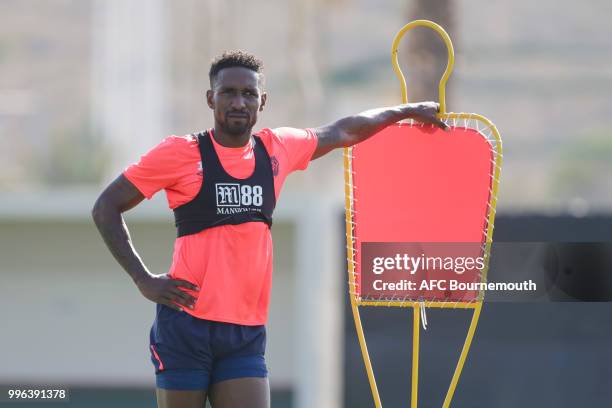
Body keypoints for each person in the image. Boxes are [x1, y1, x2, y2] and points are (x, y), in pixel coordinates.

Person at [92, 50, 447, 408]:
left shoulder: (277, 149)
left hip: (245, 331)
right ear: (210, 98)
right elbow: (106, 207)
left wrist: (404, 111)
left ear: (262, 101)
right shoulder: (181, 153)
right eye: (227, 92)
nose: (238, 102)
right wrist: (143, 279)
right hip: (186, 325)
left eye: (248, 94)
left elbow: (344, 130)